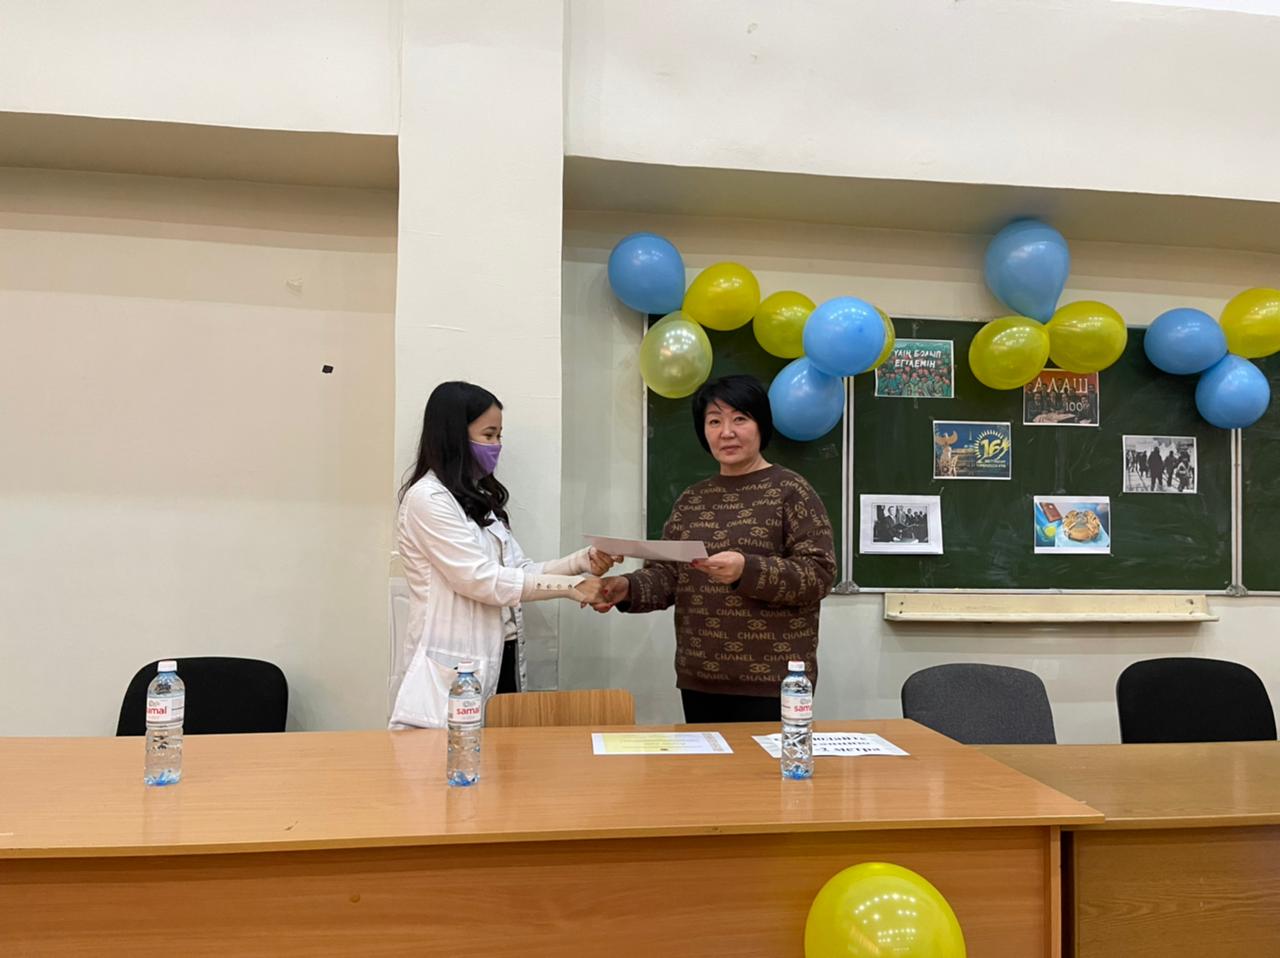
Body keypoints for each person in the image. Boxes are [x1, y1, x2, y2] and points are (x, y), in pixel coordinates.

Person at [594, 374, 837, 724]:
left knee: (766, 763)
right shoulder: (692, 500)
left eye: (740, 419)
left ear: (761, 425)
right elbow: (667, 576)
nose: (727, 432)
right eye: (714, 421)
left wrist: (746, 570)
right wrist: (626, 588)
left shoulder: (791, 491)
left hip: (775, 682)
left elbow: (819, 575)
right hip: (700, 678)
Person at [389, 381, 616, 728]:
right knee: (454, 755)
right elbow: (481, 580)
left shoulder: (476, 499)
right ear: (453, 435)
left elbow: (519, 570)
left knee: (502, 754)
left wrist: (580, 562)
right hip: (453, 664)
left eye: (499, 436)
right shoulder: (429, 500)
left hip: (501, 654)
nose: (496, 446)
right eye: (488, 435)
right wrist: (571, 588)